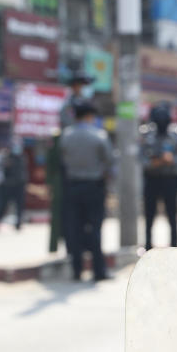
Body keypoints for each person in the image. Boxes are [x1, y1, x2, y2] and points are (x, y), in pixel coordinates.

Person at [59, 100, 111, 282]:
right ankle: (99, 271)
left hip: (73, 186)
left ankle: (77, 270)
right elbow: (109, 162)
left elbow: (63, 159)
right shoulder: (99, 135)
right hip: (94, 187)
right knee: (95, 229)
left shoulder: (66, 135)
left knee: (75, 229)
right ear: (90, 116)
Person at [139, 102, 177, 250]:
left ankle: (174, 245)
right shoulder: (146, 134)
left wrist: (172, 160)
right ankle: (148, 245)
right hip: (151, 179)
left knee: (172, 215)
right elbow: (141, 158)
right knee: (149, 215)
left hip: (170, 179)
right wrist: (155, 162)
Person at [0, 139, 27, 230]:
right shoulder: (6, 157)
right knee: (3, 204)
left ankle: (18, 223)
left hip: (19, 185)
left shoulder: (22, 157)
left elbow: (23, 173)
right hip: (8, 185)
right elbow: (1, 169)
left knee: (19, 206)